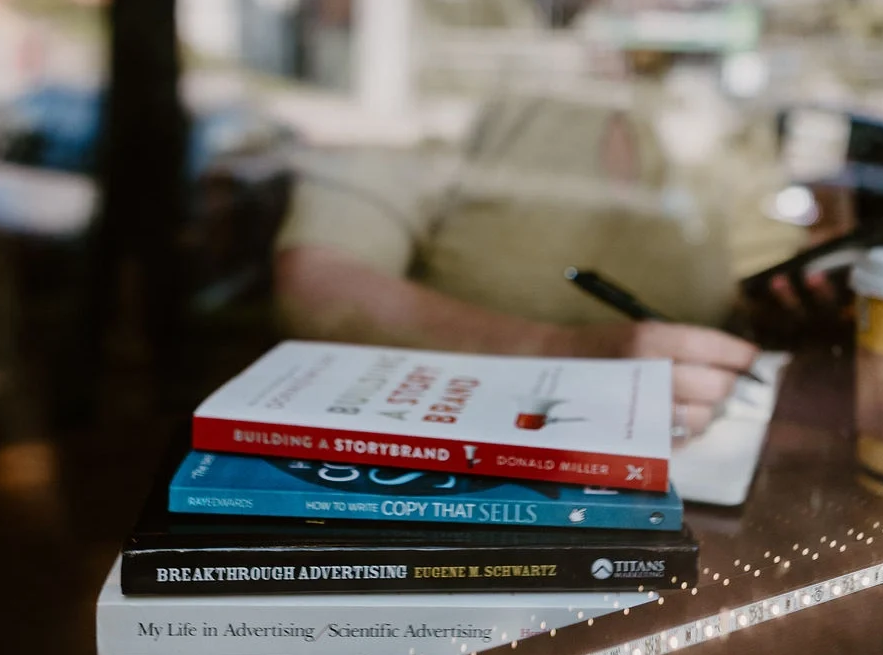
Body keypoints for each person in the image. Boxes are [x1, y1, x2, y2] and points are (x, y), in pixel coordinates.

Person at [273, 78, 802, 438]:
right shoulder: (437, 87)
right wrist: (562, 355)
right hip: (441, 479)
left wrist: (799, 305)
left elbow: (765, 284)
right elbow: (318, 283)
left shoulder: (713, 119)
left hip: (687, 469)